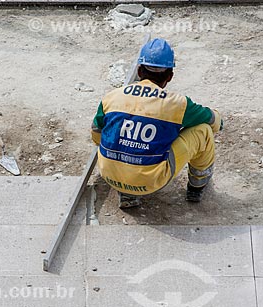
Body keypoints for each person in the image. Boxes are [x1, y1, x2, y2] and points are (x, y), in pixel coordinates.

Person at [91, 38, 222, 208]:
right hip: (151, 182)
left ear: (139, 70)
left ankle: (127, 191)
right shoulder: (178, 104)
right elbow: (214, 122)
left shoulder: (112, 96)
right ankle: (197, 187)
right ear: (170, 76)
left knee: (116, 138)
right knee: (203, 131)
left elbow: (96, 130)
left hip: (110, 176)